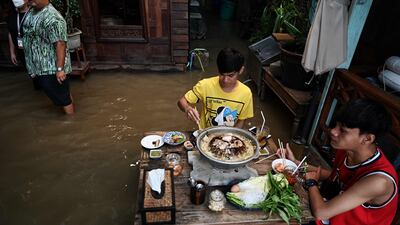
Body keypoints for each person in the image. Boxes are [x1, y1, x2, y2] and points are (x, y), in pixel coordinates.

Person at [278, 98, 398, 225]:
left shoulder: (379, 181)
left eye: (343, 130)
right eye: (336, 125)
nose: (333, 131)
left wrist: (311, 183)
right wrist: (296, 163)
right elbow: (334, 176)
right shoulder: (348, 150)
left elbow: (321, 212)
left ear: (367, 138)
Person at [178, 47, 253, 129]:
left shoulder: (246, 93)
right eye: (222, 74)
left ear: (241, 70)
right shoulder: (205, 85)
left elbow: (242, 120)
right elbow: (182, 101)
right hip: (205, 134)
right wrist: (187, 108)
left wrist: (231, 136)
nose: (225, 80)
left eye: (230, 75)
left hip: (228, 137)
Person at [22, 0, 74, 114]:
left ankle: (72, 121)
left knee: (63, 99)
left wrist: (59, 69)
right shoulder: (32, 10)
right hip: (39, 66)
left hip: (51, 67)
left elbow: (60, 43)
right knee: (63, 94)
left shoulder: (53, 17)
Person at [7, 0, 41, 90]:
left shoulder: (35, 13)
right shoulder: (13, 14)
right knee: (33, 75)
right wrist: (12, 52)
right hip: (22, 51)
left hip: (36, 51)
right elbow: (10, 33)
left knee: (43, 77)